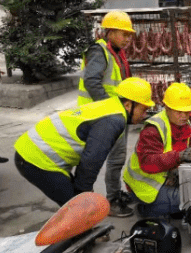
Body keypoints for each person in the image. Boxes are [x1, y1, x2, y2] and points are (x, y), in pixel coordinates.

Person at [13, 78, 154, 207]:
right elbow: (92, 159)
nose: (145, 115)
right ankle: (77, 233)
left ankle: (79, 230)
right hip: (34, 158)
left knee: (76, 205)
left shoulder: (113, 105)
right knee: (76, 209)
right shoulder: (114, 120)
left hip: (34, 151)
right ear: (128, 105)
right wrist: (84, 193)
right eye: (143, 109)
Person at [78, 9, 136, 217]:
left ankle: (113, 194)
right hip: (102, 115)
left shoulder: (116, 52)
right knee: (105, 159)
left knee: (117, 158)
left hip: (114, 113)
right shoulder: (99, 51)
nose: (128, 38)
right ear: (110, 32)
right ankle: (109, 201)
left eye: (129, 34)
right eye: (123, 33)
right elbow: (91, 81)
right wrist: (110, 109)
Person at [123, 82, 191, 218]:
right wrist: (179, 157)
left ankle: (167, 207)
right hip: (144, 186)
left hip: (167, 179)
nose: (184, 116)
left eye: (187, 111)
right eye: (179, 111)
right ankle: (146, 209)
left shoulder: (185, 124)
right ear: (167, 108)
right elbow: (148, 163)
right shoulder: (153, 129)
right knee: (190, 198)